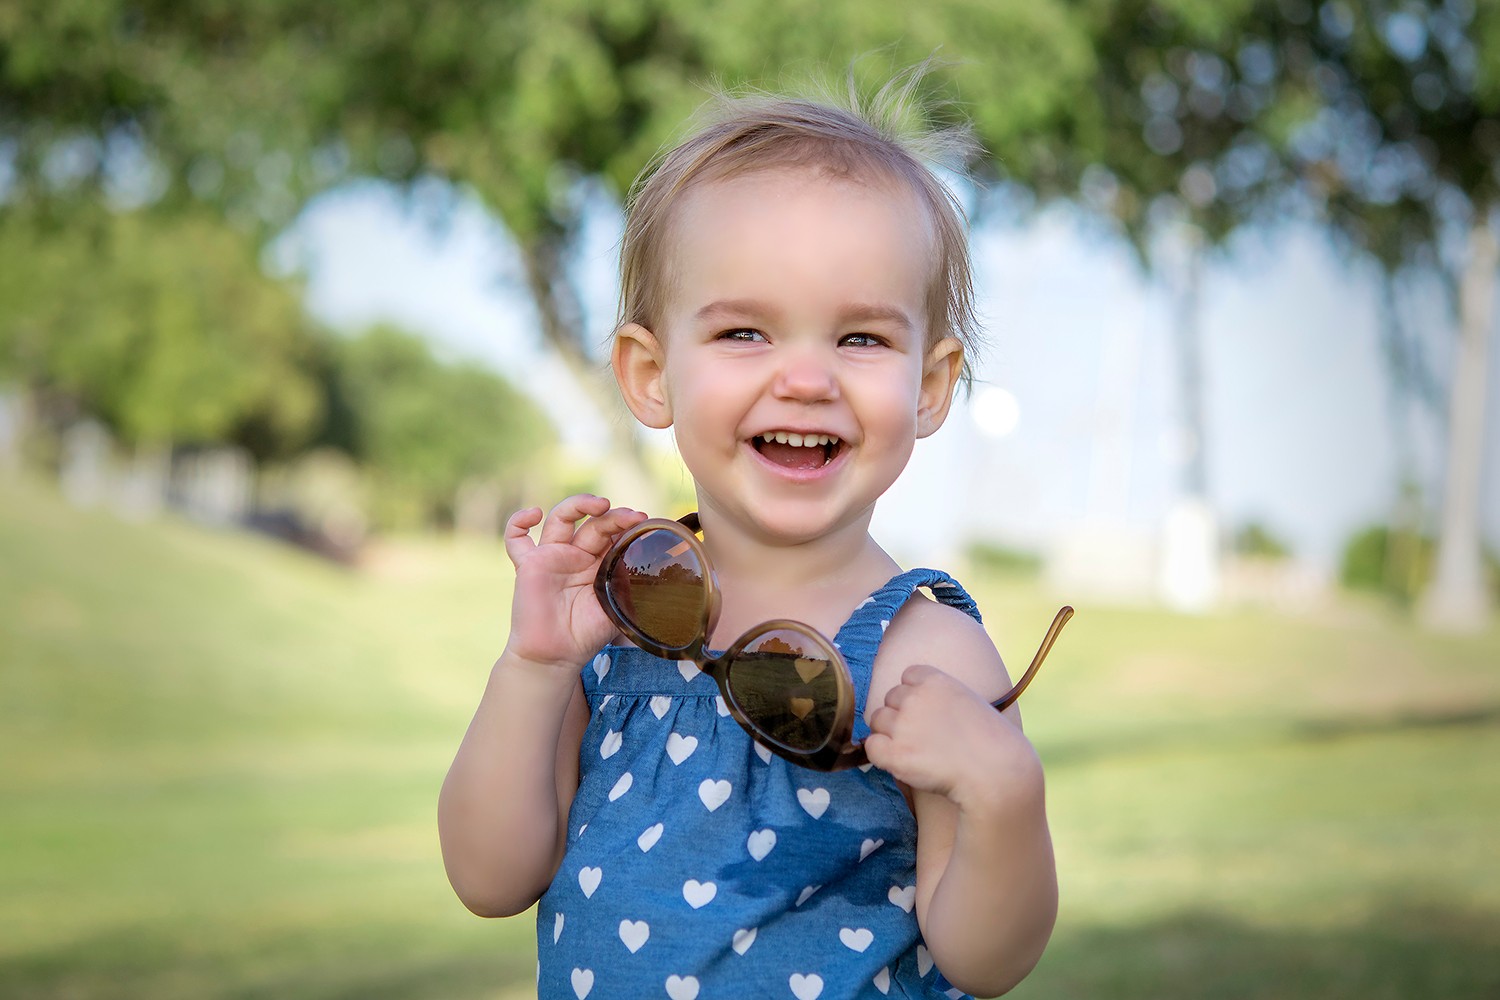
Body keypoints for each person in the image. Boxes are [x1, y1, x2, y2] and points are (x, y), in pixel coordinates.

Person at [438, 74, 1059, 1000]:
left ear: (929, 387)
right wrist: (534, 668)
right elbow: (490, 879)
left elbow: (985, 959)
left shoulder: (923, 655)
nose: (805, 378)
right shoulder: (625, 612)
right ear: (652, 374)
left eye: (859, 340)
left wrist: (1006, 797)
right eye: (745, 332)